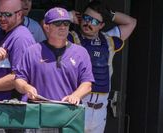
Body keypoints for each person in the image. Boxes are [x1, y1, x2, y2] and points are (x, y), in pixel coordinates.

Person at [14, 7, 94, 133]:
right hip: (38, 116)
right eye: (57, 23)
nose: (63, 27)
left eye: (66, 23)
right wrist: (27, 88)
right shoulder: (32, 51)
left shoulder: (81, 52)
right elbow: (19, 80)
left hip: (68, 116)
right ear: (46, 27)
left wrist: (75, 95)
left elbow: (87, 84)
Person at [68, 0, 137, 133]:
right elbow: (47, 26)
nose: (88, 23)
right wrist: (68, 16)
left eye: (94, 21)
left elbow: (131, 22)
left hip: (100, 110)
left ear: (101, 25)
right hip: (78, 105)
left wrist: (110, 14)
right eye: (86, 18)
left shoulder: (108, 40)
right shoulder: (72, 38)